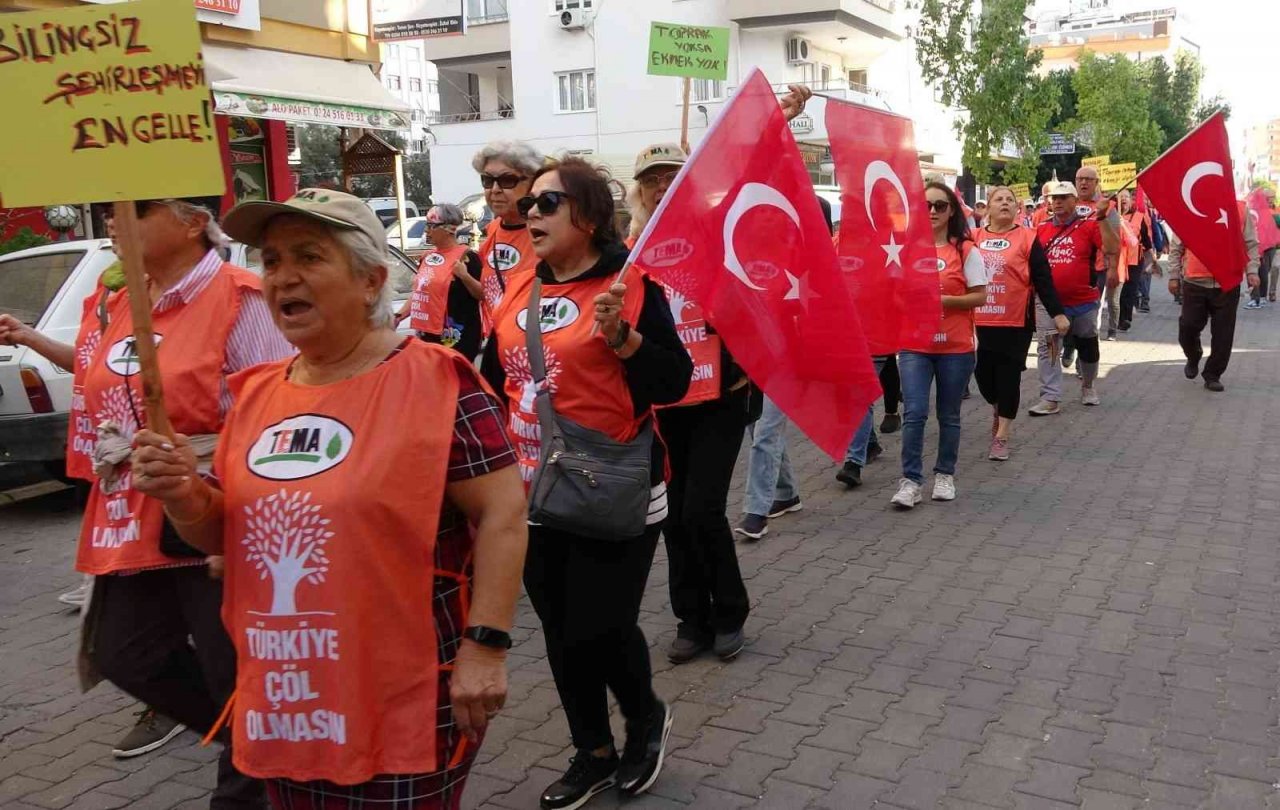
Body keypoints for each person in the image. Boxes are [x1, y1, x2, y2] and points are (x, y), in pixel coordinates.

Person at [133, 188, 530, 809]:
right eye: (271, 260)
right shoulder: (257, 393)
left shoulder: (434, 381)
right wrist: (184, 494)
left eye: (309, 257)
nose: (282, 277)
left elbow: (503, 514)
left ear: (370, 280)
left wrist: (486, 646)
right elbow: (227, 534)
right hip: (288, 693)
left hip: (404, 693)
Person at [42, 196, 292, 807]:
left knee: (233, 672)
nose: (109, 218)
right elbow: (97, 380)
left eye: (132, 207)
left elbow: (277, 409)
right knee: (124, 654)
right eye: (102, 209)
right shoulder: (129, 297)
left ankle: (257, 773)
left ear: (191, 222)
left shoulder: (240, 296)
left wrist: (204, 467)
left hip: (214, 510)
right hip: (132, 514)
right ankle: (263, 745)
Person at [487, 158, 692, 808]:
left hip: (615, 483)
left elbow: (674, 382)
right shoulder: (521, 286)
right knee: (557, 629)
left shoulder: (631, 286)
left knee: (600, 626)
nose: (530, 214)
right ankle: (592, 752)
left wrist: (625, 341)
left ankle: (646, 720)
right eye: (529, 204)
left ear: (589, 215)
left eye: (548, 203)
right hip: (533, 488)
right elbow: (495, 376)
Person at [0, 224, 191, 762]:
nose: (112, 223)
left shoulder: (168, 301)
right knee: (126, 628)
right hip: (109, 470)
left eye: (124, 216)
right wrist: (30, 338)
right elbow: (86, 366)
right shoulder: (104, 299)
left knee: (163, 597)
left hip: (158, 471)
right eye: (106, 217)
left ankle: (189, 706)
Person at [627, 142, 755, 665]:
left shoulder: (720, 235)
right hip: (665, 403)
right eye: (652, 178)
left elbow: (757, 294)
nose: (662, 185)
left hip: (720, 395)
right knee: (674, 518)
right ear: (639, 189)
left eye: (672, 176)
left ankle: (729, 614)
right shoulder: (632, 250)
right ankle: (691, 619)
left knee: (702, 510)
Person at [890, 183, 986, 508]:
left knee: (949, 414)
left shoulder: (966, 251)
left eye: (940, 205)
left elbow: (981, 296)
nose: (932, 211)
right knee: (914, 413)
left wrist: (944, 300)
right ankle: (911, 481)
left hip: (955, 348)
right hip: (915, 345)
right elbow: (892, 292)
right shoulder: (905, 248)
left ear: (951, 211)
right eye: (927, 205)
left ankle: (945, 474)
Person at [973, 187, 1068, 460]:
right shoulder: (973, 237)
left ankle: (1002, 434)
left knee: (1009, 376)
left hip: (1016, 321)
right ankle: (997, 405)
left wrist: (1058, 313)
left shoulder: (1028, 237)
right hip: (979, 320)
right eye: (998, 199)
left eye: (1010, 200)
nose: (1005, 203)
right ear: (987, 208)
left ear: (1018, 208)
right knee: (983, 376)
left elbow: (1043, 279)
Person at [1028, 181, 1119, 415]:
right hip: (1049, 303)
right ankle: (1050, 397)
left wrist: (1102, 218)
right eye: (1054, 198)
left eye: (1063, 198)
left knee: (1087, 345)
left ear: (1075, 200)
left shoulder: (1089, 226)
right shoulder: (1041, 228)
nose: (1057, 202)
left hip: (1084, 301)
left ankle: (1088, 386)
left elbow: (1111, 247)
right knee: (1048, 348)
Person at [472, 141, 543, 385]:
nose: (495, 189)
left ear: (533, 184)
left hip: (538, 350)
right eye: (487, 180)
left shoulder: (546, 231)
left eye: (507, 180)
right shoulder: (491, 231)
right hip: (497, 345)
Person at [1168, 205, 1260, 392]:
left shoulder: (1240, 209)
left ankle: (1213, 374)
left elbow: (1250, 243)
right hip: (1195, 280)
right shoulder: (1190, 205)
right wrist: (1173, 275)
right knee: (1188, 326)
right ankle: (1194, 355)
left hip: (1228, 282)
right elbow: (1177, 245)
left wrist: (1252, 271)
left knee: (1223, 334)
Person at [396, 203, 484, 359]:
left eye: (431, 226)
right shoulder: (427, 256)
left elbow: (483, 294)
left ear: (449, 229)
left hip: (456, 337)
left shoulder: (467, 257)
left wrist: (465, 276)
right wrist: (399, 316)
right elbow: (420, 292)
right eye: (426, 225)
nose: (426, 230)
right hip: (427, 334)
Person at [1115, 190, 1153, 329]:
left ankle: (1125, 318)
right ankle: (1118, 317)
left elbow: (1146, 239)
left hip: (1134, 260)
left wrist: (1151, 255)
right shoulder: (1113, 216)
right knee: (1117, 290)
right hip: (1117, 259)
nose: (1123, 200)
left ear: (1131, 200)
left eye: (1126, 197)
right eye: (1121, 197)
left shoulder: (1139, 216)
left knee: (1129, 290)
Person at [1245, 187, 1277, 310]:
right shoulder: (1266, 212)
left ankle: (1256, 299)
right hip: (1267, 246)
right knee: (1262, 272)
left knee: (1255, 272)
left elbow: (1258, 231)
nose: (1271, 201)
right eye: (1269, 198)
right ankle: (1260, 298)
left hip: (1262, 247)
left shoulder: (1256, 211)